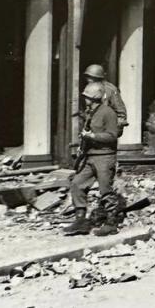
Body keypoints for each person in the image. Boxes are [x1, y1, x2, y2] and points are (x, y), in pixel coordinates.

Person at [63, 82, 120, 237]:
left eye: (87, 96)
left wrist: (93, 136)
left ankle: (111, 224)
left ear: (95, 97)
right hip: (91, 156)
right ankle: (80, 221)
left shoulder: (108, 113)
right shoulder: (91, 112)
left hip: (105, 157)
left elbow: (112, 135)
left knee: (105, 191)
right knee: (77, 184)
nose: (85, 99)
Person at [83, 64, 128, 136]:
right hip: (93, 124)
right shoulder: (89, 88)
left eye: (91, 77)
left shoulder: (110, 90)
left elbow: (120, 111)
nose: (88, 79)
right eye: (87, 77)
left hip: (105, 125)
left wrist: (117, 126)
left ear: (98, 77)